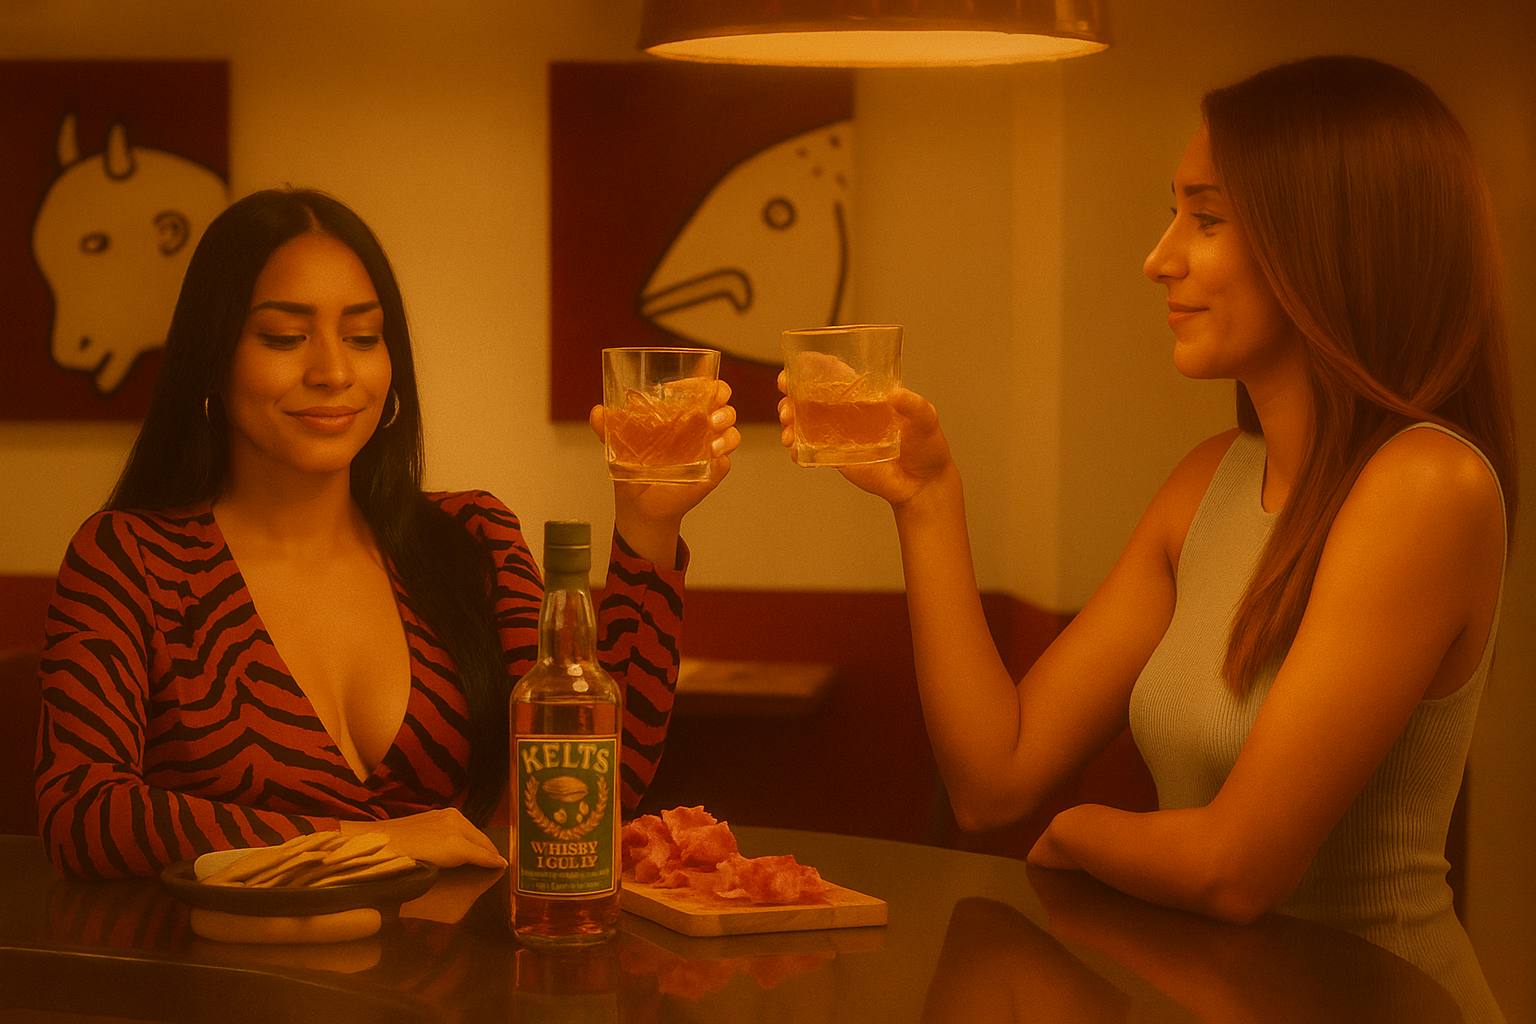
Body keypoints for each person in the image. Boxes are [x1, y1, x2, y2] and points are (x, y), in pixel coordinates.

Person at [781, 57, 1513, 1020]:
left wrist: (1082, 833)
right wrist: (927, 503)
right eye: (1173, 214)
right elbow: (993, 781)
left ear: (1326, 245)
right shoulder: (1207, 481)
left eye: (1205, 221)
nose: (1159, 257)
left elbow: (1234, 870)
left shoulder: (1428, 484)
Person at [35, 187, 740, 880]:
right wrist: (372, 842)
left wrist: (651, 526)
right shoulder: (128, 559)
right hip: (222, 985)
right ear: (213, 356)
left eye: (363, 337)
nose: (334, 371)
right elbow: (81, 813)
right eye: (285, 337)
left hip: (453, 986)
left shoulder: (471, 537)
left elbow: (593, 784)